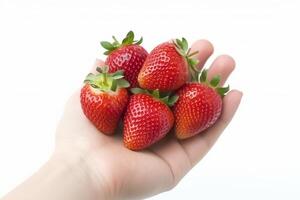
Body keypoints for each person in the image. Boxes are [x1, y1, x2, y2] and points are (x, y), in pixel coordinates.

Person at [1, 39, 242, 200]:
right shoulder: (140, 101)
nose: (145, 83)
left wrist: (87, 173)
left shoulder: (148, 103)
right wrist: (87, 169)